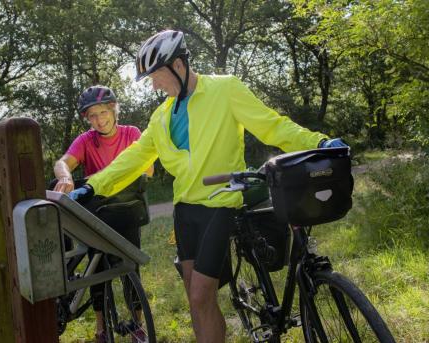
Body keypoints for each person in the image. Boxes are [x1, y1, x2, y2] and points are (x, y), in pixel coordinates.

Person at [69, 30, 347, 342]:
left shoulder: (224, 89)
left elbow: (272, 125)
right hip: (185, 211)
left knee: (201, 295)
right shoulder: (160, 117)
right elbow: (132, 158)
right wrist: (92, 186)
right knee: (196, 298)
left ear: (177, 64)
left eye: (157, 76)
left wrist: (319, 142)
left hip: (221, 203)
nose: (155, 85)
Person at [53, 85, 153, 343]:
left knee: (129, 266)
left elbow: (148, 169)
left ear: (114, 109)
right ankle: (101, 328)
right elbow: (63, 161)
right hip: (95, 214)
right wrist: (65, 175)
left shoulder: (131, 133)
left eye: (103, 112)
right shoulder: (86, 140)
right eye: (92, 115)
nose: (99, 119)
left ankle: (138, 325)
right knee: (96, 268)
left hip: (126, 209)